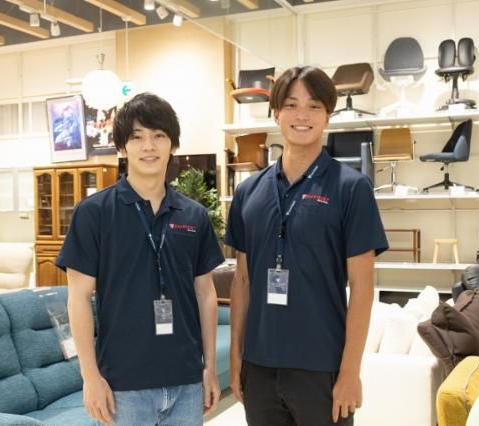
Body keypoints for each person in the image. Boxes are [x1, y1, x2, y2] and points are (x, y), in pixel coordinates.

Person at [225, 66, 388, 425]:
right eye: (291, 105)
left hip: (322, 367)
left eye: (314, 106)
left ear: (327, 115)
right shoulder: (248, 192)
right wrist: (236, 358)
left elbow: (362, 286)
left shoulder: (351, 188)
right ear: (275, 113)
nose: (302, 115)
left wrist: (350, 371)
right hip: (260, 367)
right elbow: (242, 281)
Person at [56, 92, 224, 425]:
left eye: (158, 135)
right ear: (122, 147)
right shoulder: (94, 213)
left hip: (186, 381)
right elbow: (78, 298)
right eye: (137, 137)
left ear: (172, 144)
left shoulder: (194, 215)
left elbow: (205, 294)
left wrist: (209, 368)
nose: (149, 146)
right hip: (123, 386)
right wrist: (90, 377)